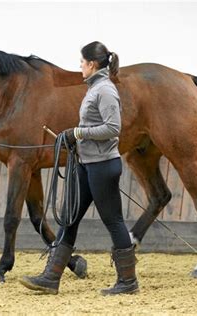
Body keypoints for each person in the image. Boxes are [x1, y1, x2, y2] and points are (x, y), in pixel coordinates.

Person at [20, 41, 138, 296]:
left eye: (82, 62)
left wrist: (78, 133)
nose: (80, 66)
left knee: (114, 221)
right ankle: (51, 278)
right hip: (87, 164)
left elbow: (113, 128)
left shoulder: (105, 90)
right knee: (69, 217)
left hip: (102, 166)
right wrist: (75, 139)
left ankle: (128, 281)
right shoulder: (95, 88)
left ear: (92, 64)